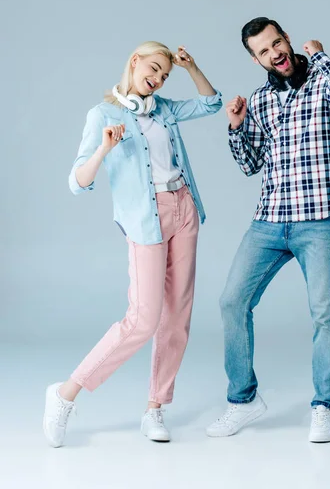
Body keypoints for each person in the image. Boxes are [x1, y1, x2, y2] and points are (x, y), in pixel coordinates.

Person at [43, 42, 222, 447]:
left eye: (164, 75)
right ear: (134, 62)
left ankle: (155, 408)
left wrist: (191, 68)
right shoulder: (102, 114)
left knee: (177, 316)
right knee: (143, 318)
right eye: (154, 69)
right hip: (147, 218)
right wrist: (105, 148)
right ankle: (65, 393)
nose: (157, 79)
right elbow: (77, 181)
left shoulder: (163, 109)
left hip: (184, 207)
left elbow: (212, 104)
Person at [206, 17, 330, 442]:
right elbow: (248, 164)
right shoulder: (259, 100)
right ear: (255, 58)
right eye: (263, 51)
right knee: (231, 303)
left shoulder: (322, 82)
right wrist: (237, 125)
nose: (274, 53)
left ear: (287, 40)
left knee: (324, 315)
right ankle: (243, 401)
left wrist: (320, 56)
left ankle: (324, 407)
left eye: (276, 43)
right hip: (270, 221)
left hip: (319, 221)